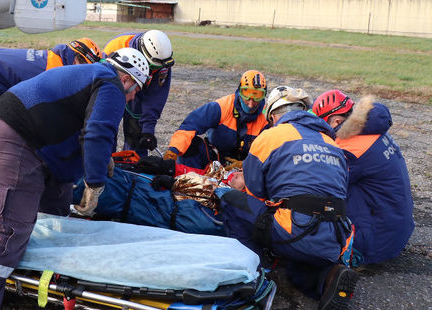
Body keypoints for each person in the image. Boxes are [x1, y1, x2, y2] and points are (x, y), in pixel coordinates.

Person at [0, 47, 150, 309]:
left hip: (35, 145)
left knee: (56, 220)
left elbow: (90, 125)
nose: (133, 98)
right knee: (8, 230)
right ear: (128, 79)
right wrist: (94, 185)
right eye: (137, 90)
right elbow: (96, 132)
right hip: (18, 139)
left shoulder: (94, 75)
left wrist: (102, 155)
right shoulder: (111, 83)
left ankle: (34, 285)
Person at [219, 86, 358, 310]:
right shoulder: (333, 145)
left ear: (273, 115)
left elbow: (256, 193)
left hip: (295, 228)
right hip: (334, 239)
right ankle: (328, 278)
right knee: (296, 264)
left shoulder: (271, 136)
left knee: (232, 201)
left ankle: (252, 273)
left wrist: (238, 184)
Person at [313, 89, 414, 266]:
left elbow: (321, 184)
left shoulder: (351, 147)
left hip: (377, 243)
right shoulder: (369, 129)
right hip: (397, 227)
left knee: (320, 201)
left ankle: (351, 250)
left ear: (336, 121)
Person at [0, 38, 102, 124]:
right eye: (86, 66)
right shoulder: (55, 70)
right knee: (6, 134)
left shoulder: (53, 58)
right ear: (76, 58)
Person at [163, 70, 269, 169]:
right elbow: (190, 126)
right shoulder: (222, 107)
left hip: (247, 169)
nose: (251, 104)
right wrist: (173, 151)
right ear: (239, 91)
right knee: (191, 145)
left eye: (257, 97)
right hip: (214, 158)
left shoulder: (267, 118)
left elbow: (273, 153)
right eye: (246, 96)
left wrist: (244, 165)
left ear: (263, 96)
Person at [103, 30, 175, 156]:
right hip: (114, 89)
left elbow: (155, 97)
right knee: (106, 129)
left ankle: (131, 167)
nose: (154, 70)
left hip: (138, 92)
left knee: (136, 135)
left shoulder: (162, 60)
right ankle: (104, 162)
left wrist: (148, 129)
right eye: (152, 67)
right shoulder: (115, 47)